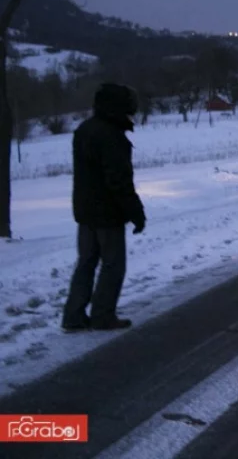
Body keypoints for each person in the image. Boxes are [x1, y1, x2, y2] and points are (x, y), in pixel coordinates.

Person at [62, 83, 146, 332]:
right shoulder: (111, 136)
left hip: (85, 211)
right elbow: (119, 181)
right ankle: (102, 315)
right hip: (107, 213)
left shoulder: (84, 130)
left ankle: (73, 316)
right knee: (113, 264)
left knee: (86, 263)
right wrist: (136, 213)